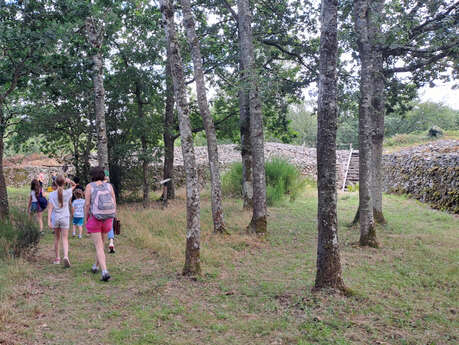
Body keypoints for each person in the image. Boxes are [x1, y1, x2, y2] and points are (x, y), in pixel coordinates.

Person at [85, 167, 116, 282]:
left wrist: (86, 219)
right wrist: (113, 217)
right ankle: (96, 266)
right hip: (108, 218)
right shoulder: (109, 186)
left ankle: (104, 271)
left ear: (92, 175)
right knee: (102, 244)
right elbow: (114, 201)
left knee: (98, 246)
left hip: (96, 218)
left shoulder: (90, 186)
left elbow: (87, 204)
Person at [47, 175, 76, 267]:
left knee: (57, 238)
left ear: (55, 183)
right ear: (64, 183)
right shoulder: (67, 192)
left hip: (55, 218)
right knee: (65, 238)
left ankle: (57, 258)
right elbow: (74, 185)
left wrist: (49, 220)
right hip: (65, 217)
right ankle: (66, 256)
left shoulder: (51, 194)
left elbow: (50, 208)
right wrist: (69, 181)